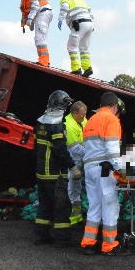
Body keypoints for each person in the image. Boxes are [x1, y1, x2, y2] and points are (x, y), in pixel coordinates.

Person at [80, 92, 128, 256]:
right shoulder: (111, 119)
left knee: (94, 205)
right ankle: (109, 245)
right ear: (115, 106)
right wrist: (120, 169)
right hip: (104, 168)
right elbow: (112, 149)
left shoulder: (91, 120)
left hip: (89, 167)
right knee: (110, 205)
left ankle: (88, 243)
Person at [34, 90, 82, 247]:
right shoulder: (56, 126)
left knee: (44, 204)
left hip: (41, 172)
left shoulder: (40, 122)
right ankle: (62, 239)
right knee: (62, 206)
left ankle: (41, 236)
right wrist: (73, 167)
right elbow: (60, 151)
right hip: (55, 174)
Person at [56, 0, 94, 77]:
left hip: (79, 24)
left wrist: (60, 19)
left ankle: (76, 69)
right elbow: (90, 12)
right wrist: (92, 24)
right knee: (84, 47)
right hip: (89, 23)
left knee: (71, 46)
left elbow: (64, 8)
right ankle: (87, 68)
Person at [14, 0, 52, 67]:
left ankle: (44, 61)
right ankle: (44, 61)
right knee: (38, 38)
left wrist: (30, 18)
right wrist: (29, 21)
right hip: (41, 14)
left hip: (42, 13)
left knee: (40, 38)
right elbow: (27, 9)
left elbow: (35, 5)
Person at [64, 100, 88, 225]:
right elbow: (75, 148)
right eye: (82, 114)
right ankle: (67, 218)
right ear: (74, 113)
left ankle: (76, 219)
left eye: (85, 114)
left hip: (80, 163)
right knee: (70, 189)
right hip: (72, 164)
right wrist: (94, 154)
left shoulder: (82, 120)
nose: (84, 117)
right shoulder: (68, 124)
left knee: (77, 190)